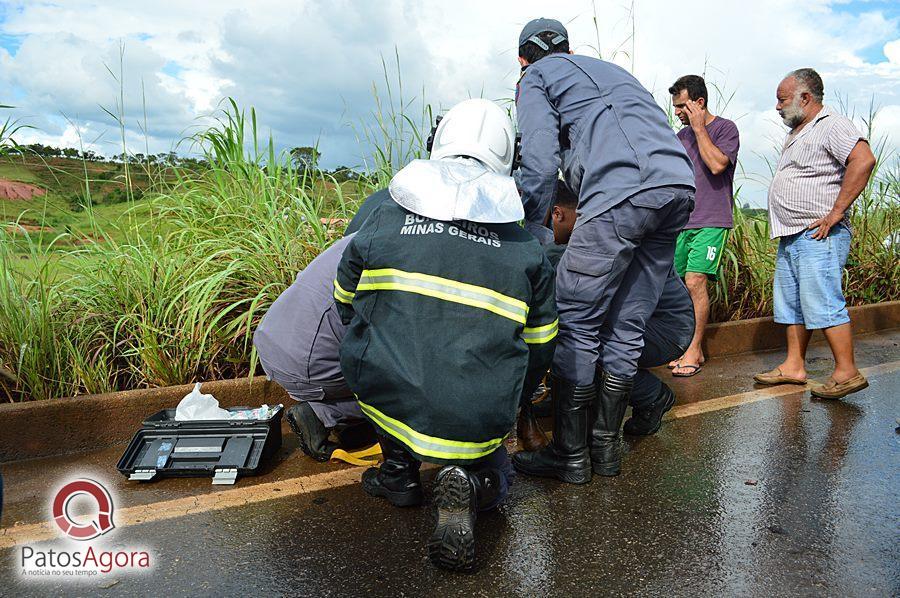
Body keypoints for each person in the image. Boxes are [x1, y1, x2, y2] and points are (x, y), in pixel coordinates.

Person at [334, 99, 557, 571]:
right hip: (476, 413)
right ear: (506, 160)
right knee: (499, 473)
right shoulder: (526, 250)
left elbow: (344, 300)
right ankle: (474, 485)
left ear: (437, 144)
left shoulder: (384, 214)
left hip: (384, 391)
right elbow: (540, 347)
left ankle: (399, 474)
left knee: (383, 366)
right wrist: (514, 400)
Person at [511, 18, 695, 483]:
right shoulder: (611, 70)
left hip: (621, 190)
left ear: (522, 60)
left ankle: (570, 456)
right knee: (627, 320)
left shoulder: (536, 77)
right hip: (676, 185)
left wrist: (532, 233)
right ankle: (606, 452)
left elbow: (537, 158)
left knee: (574, 318)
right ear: (569, 49)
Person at [754, 68, 875, 399]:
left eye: (782, 100)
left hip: (819, 234)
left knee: (823, 302)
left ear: (805, 98)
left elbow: (862, 160)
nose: (777, 107)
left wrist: (836, 213)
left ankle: (846, 372)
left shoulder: (831, 124)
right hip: (793, 234)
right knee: (791, 304)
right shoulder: (799, 131)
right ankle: (794, 366)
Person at [550, 181, 695, 436]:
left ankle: (652, 395)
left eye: (547, 222)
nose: (546, 232)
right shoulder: (596, 232)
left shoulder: (599, 241)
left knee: (578, 343)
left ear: (558, 213)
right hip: (653, 323)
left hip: (666, 330)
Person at [253, 234, 374, 462]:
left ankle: (345, 421)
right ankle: (323, 416)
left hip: (273, 338)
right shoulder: (406, 251)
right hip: (310, 362)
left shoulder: (370, 228)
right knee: (413, 377)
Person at [668, 75, 740, 378]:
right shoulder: (679, 138)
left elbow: (716, 165)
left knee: (696, 281)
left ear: (699, 102)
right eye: (675, 107)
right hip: (680, 223)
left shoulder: (726, 129)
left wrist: (698, 128)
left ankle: (695, 350)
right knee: (678, 286)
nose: (678, 113)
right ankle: (681, 346)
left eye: (682, 106)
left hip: (711, 220)